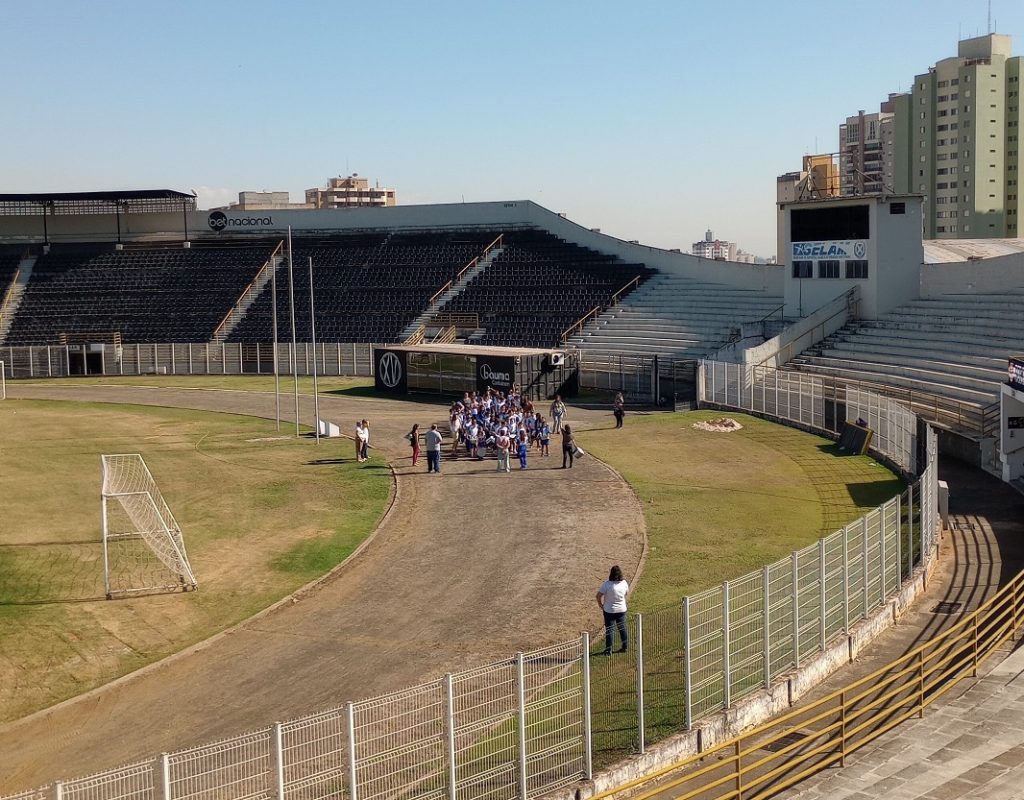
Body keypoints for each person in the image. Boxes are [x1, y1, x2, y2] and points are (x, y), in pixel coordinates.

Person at [596, 565, 629, 655]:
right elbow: (626, 593)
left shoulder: (607, 584)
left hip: (609, 610)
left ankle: (608, 650)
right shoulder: (624, 583)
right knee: (622, 628)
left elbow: (598, 596)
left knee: (609, 630)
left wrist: (601, 605)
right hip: (621, 610)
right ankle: (625, 646)